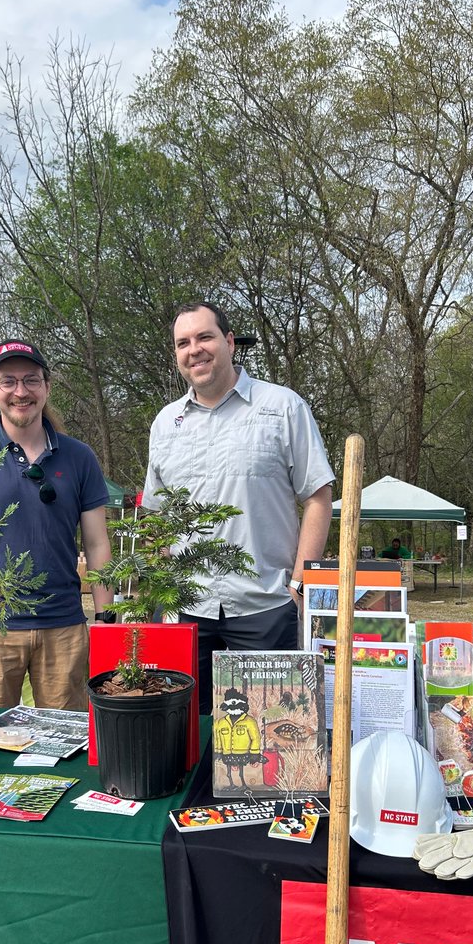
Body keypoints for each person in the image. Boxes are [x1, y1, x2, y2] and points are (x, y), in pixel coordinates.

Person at [143, 301, 335, 713]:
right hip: (185, 610)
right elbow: (157, 516)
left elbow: (318, 496)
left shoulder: (283, 408)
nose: (194, 349)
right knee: (183, 733)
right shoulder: (164, 425)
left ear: (229, 342)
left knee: (275, 736)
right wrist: (161, 591)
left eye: (205, 337)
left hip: (266, 605)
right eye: (183, 343)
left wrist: (300, 585)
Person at [0, 338, 112, 710]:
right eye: (8, 381)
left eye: (30, 380)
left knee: (67, 742)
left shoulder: (79, 457)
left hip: (63, 628)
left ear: (46, 386)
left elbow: (96, 545)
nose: (20, 391)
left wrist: (107, 621)